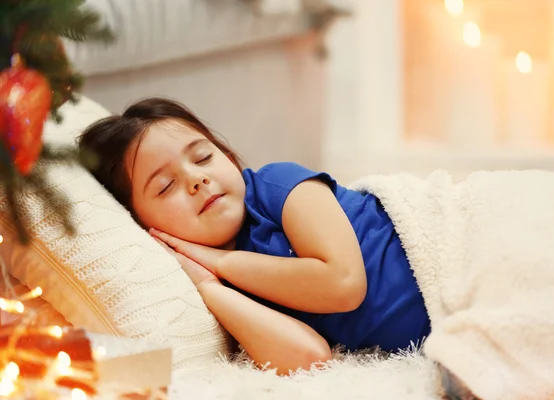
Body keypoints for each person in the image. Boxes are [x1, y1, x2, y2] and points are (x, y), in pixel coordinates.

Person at [77, 97, 431, 375]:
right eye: (166, 186)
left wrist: (223, 261)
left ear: (229, 157)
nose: (196, 179)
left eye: (203, 157)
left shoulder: (279, 186)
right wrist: (208, 286)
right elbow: (309, 358)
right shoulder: (222, 287)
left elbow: (343, 283)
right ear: (140, 223)